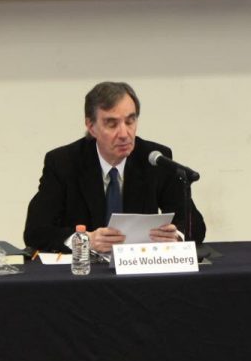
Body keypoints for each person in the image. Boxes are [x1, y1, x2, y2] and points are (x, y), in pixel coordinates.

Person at [24, 81, 206, 252]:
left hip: (138, 266)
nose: (124, 134)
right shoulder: (63, 162)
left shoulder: (154, 159)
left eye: (130, 121)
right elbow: (35, 232)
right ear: (91, 126)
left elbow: (195, 226)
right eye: (112, 124)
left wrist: (176, 236)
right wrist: (86, 240)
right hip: (84, 269)